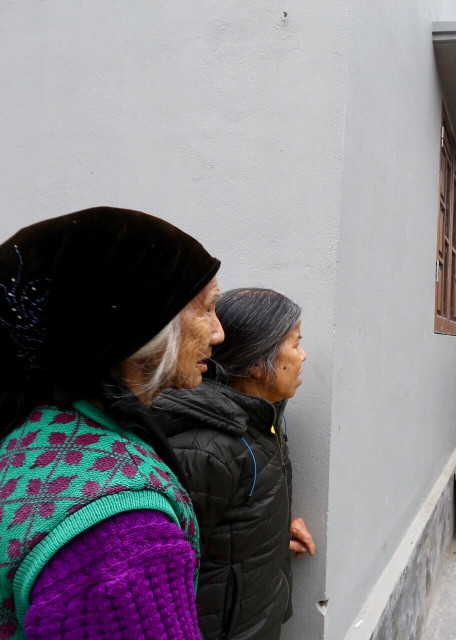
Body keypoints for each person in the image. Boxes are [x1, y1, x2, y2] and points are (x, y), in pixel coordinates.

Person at [0, 206, 223, 638]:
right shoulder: (125, 537)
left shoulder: (33, 421)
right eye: (207, 308)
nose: (218, 333)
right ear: (139, 323)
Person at [154, 289, 314, 640]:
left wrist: (271, 526)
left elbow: (230, 516)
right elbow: (171, 573)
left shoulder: (262, 420)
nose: (303, 355)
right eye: (295, 343)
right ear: (255, 363)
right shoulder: (208, 448)